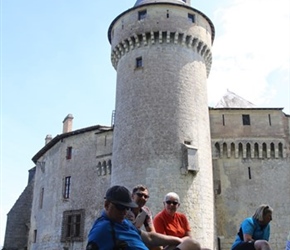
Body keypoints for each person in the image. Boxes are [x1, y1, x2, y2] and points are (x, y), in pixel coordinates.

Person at [86, 185, 203, 250]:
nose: (124, 212)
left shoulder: (123, 222)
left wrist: (178, 240)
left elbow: (150, 236)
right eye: (120, 207)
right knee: (193, 245)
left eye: (127, 208)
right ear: (107, 205)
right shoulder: (102, 229)